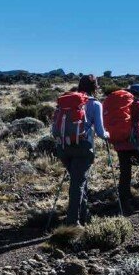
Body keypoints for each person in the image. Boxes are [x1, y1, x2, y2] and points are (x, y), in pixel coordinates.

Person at [51, 74, 108, 226]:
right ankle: (73, 223)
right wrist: (108, 135)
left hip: (64, 147)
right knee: (78, 184)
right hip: (83, 148)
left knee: (79, 180)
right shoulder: (95, 104)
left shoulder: (67, 102)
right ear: (95, 87)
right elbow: (101, 133)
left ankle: (84, 215)